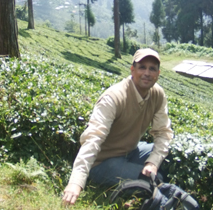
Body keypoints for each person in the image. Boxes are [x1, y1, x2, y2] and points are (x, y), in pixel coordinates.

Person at [62, 48, 174, 206]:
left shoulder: (157, 95)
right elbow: (93, 138)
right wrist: (76, 182)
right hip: (103, 161)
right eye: (142, 67)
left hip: (131, 150)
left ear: (158, 73)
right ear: (132, 69)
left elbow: (163, 133)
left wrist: (153, 162)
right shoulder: (114, 97)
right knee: (155, 181)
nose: (147, 73)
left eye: (152, 68)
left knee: (169, 156)